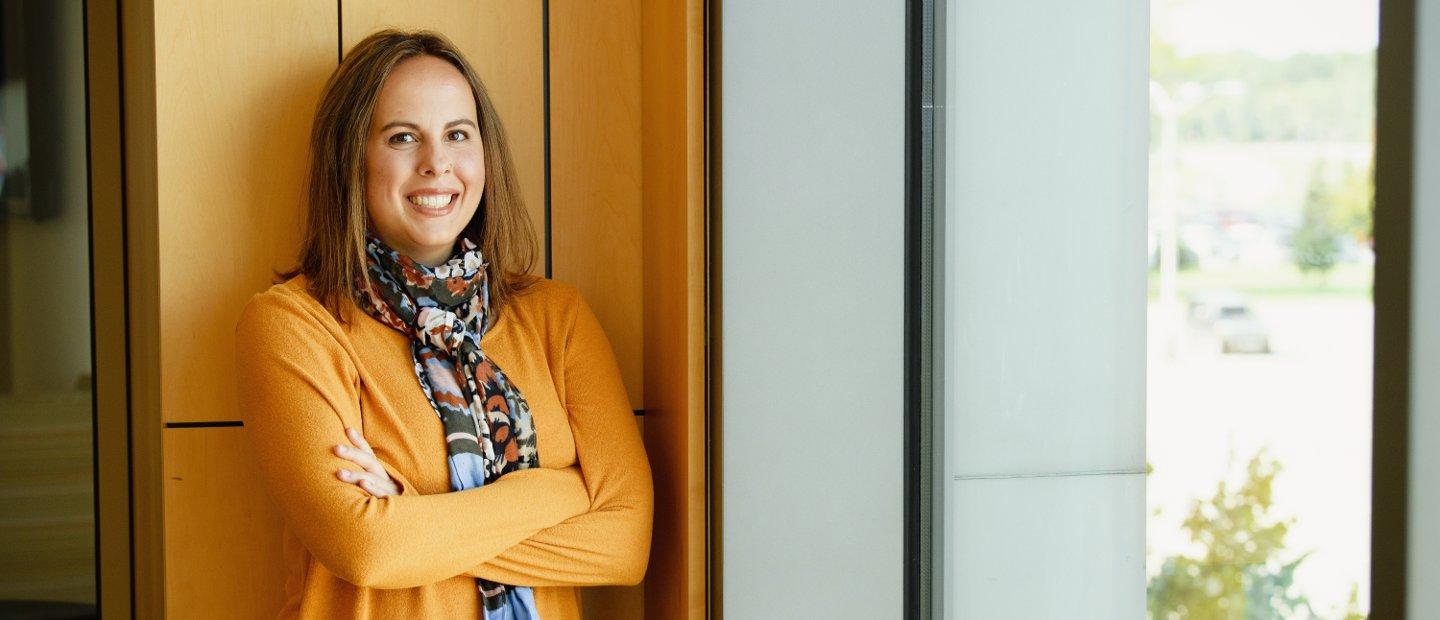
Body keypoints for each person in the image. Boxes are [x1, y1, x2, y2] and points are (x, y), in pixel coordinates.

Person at [234, 29, 653, 619]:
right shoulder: (294, 326)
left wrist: (410, 512)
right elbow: (371, 548)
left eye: (458, 134)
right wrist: (558, 489)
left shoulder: (556, 317)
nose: (437, 164)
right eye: (403, 137)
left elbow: (625, 545)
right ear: (351, 157)